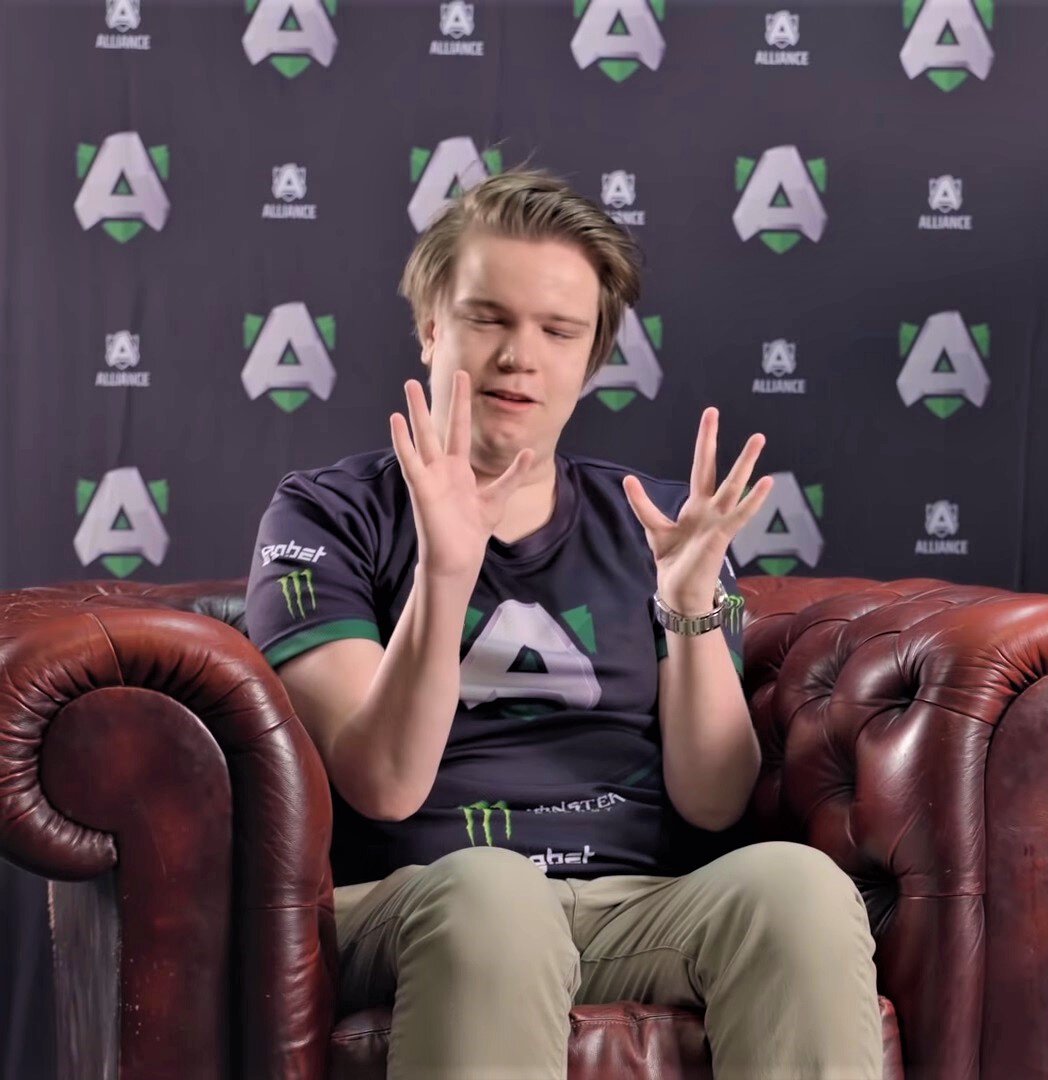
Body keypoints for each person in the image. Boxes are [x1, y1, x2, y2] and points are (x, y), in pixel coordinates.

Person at [243, 169, 884, 1079]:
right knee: (497, 896)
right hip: (421, 897)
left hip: (634, 903)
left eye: (558, 331)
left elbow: (713, 801)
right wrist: (446, 571)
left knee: (797, 888)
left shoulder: (658, 523)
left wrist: (690, 609)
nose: (519, 356)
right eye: (487, 319)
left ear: (591, 359)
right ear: (431, 327)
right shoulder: (328, 515)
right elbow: (383, 783)